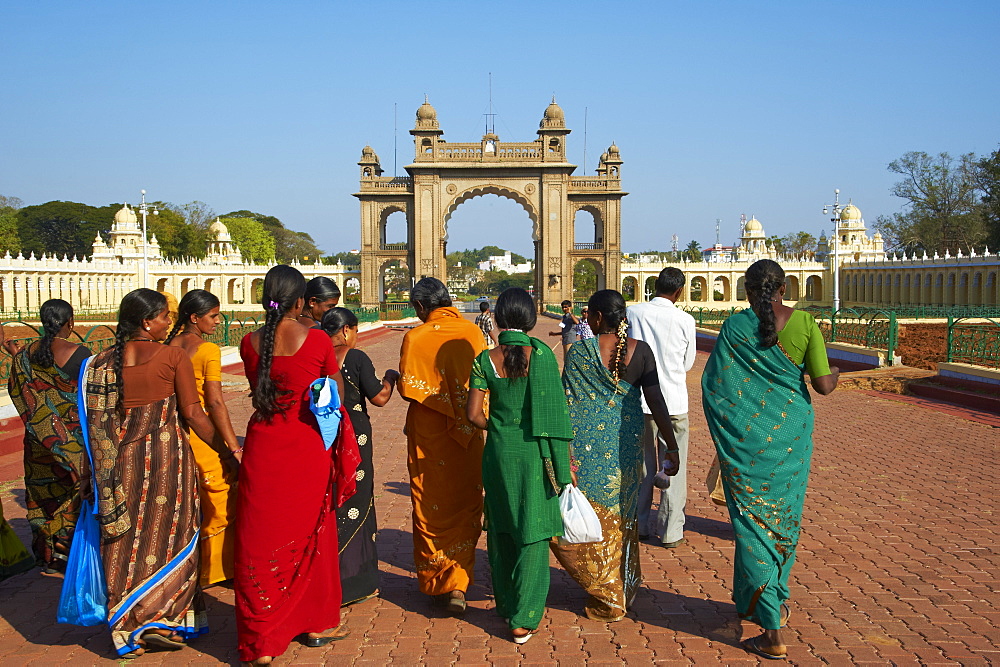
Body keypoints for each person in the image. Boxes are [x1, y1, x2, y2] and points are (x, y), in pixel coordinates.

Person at [701, 259, 839, 661]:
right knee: (783, 520)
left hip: (747, 444)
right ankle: (771, 605)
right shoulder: (805, 324)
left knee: (752, 526)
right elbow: (825, 386)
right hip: (792, 439)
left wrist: (732, 435)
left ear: (747, 290)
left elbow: (716, 389)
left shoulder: (734, 328)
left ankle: (772, 628)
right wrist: (838, 374)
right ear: (784, 287)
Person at [80, 288, 216, 658]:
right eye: (164, 318)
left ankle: (127, 627)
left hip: (117, 470)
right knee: (173, 536)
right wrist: (230, 451)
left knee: (125, 542)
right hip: (166, 464)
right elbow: (193, 414)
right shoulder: (172, 356)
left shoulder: (97, 363)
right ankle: (164, 619)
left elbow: (94, 424)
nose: (169, 324)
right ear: (146, 321)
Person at [236, 265, 359, 665]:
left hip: (264, 444)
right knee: (312, 531)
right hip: (306, 445)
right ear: (301, 301)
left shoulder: (248, 343)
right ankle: (316, 623)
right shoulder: (319, 339)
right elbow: (333, 392)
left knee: (258, 537)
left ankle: (261, 640)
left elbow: (260, 390)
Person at [550, 289, 679, 622]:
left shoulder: (578, 352)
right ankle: (622, 583)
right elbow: (657, 402)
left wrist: (562, 452)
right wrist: (672, 445)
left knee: (589, 511)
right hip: (626, 443)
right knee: (622, 515)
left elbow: (568, 401)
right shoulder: (641, 352)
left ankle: (605, 591)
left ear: (593, 318)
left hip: (586, 445)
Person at [466, 288, 573, 644]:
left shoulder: (484, 359)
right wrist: (563, 467)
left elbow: (472, 415)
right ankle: (524, 617)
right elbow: (555, 417)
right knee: (534, 531)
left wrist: (497, 428)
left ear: (497, 317)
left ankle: (507, 603)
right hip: (535, 455)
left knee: (502, 528)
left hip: (497, 454)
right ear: (529, 318)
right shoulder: (541, 355)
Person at [397, 277, 487, 614]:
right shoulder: (473, 333)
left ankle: (439, 579)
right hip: (468, 432)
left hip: (429, 436)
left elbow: (409, 386)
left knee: (429, 504)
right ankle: (458, 583)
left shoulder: (415, 337)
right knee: (466, 502)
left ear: (421, 307)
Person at [5, 299, 91, 573]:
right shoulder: (81, 354)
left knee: (43, 497)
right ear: (71, 322)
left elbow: (18, 392)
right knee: (75, 493)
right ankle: (72, 554)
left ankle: (49, 556)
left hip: (37, 441)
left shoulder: (22, 358)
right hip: (73, 442)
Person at [320, 307, 398, 606]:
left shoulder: (317, 356)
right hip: (355, 436)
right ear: (345, 331)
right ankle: (355, 580)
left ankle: (328, 575)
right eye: (355, 330)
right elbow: (379, 397)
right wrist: (390, 377)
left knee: (333, 497)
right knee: (358, 497)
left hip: (327, 435)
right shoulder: (355, 358)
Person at [165, 289, 241, 587]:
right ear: (194, 318)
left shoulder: (168, 346)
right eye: (213, 316)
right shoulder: (207, 350)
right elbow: (215, 403)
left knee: (186, 504)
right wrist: (231, 447)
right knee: (219, 501)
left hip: (174, 434)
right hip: (201, 436)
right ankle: (215, 570)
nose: (217, 321)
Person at [627, 267, 697, 547]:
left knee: (643, 465)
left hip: (641, 400)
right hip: (673, 401)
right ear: (679, 291)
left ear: (655, 286)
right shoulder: (685, 319)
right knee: (673, 465)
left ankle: (641, 524)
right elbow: (688, 362)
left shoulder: (635, 313)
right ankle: (670, 530)